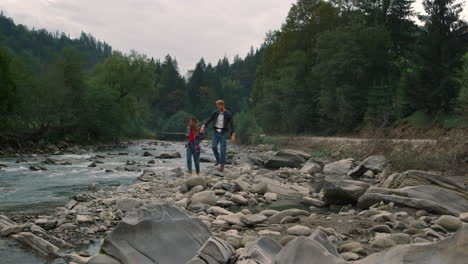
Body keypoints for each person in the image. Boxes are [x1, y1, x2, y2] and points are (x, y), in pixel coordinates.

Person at [200, 100, 235, 172]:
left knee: (223, 150)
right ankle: (218, 159)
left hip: (223, 133)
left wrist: (233, 135)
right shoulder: (215, 113)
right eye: (217, 106)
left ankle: (222, 166)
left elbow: (232, 125)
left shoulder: (228, 114)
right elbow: (209, 120)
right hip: (215, 132)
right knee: (213, 146)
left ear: (222, 105)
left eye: (219, 106)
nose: (218, 107)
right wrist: (204, 126)